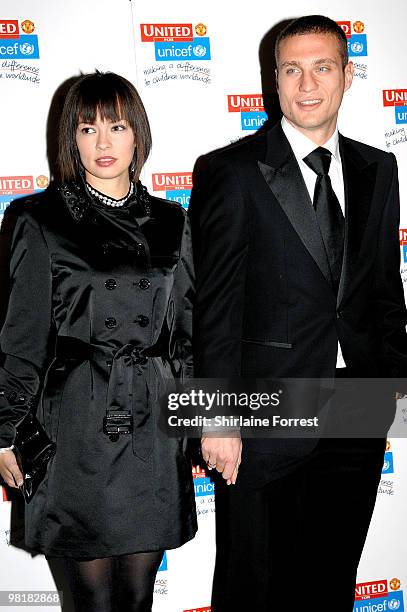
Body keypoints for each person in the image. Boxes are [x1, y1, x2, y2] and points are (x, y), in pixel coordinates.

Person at [189, 15, 407, 612]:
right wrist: (215, 417)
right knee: (254, 585)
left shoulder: (376, 168)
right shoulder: (229, 171)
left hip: (357, 409)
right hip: (265, 413)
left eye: (323, 67)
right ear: (274, 81)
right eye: (292, 69)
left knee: (330, 580)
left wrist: (390, 380)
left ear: (347, 75)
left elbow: (385, 286)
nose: (308, 83)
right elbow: (215, 306)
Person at [0, 71, 197, 611]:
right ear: (71, 139)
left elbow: (185, 333)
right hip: (76, 426)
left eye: (116, 125)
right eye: (87, 129)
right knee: (88, 601)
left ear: (139, 134)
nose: (103, 143)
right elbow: (21, 336)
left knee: (136, 598)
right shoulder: (38, 219)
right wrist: (4, 430)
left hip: (152, 426)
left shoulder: (170, 220)